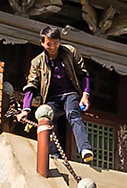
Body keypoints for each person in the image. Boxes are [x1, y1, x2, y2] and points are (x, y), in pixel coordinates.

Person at [24, 33, 93, 170]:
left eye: (55, 43)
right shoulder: (37, 62)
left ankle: (84, 148)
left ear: (59, 41)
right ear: (42, 43)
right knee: (48, 116)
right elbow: (31, 85)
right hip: (52, 98)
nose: (53, 47)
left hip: (70, 93)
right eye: (48, 44)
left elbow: (83, 73)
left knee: (73, 114)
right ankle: (54, 154)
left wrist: (85, 95)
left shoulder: (70, 52)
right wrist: (25, 109)